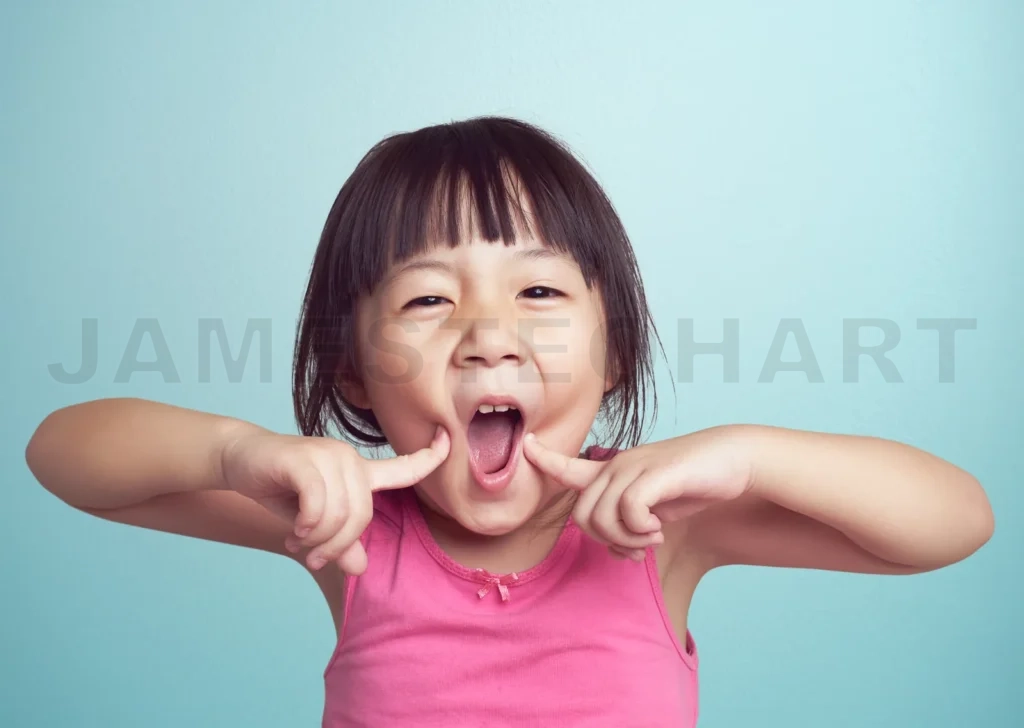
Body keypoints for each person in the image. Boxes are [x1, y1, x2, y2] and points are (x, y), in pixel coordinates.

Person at [25, 116, 994, 727]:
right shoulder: (347, 531)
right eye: (426, 302)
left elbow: (953, 520)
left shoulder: (666, 531)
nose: (490, 335)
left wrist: (747, 456)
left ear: (612, 351)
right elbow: (61, 452)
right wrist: (240, 453)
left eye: (536, 289)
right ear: (354, 375)